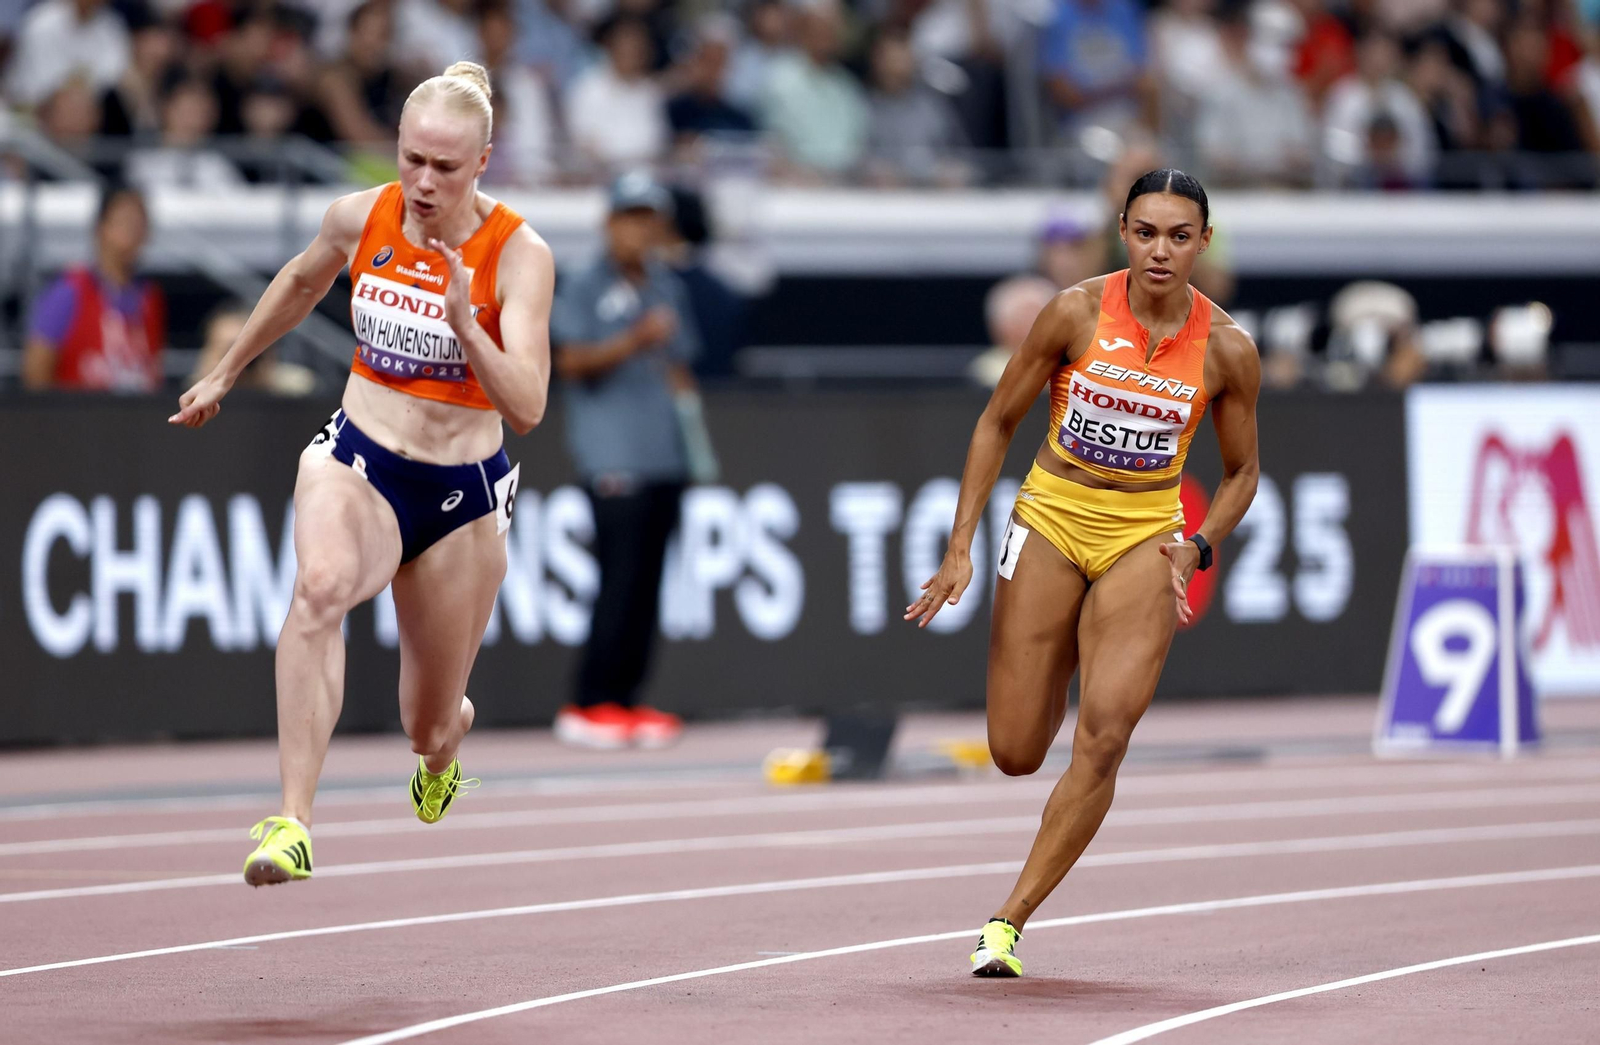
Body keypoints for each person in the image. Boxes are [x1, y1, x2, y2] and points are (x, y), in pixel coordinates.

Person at [170, 61, 555, 887]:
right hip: (359, 461)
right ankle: (293, 822)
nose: (423, 182)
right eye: (411, 158)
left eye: (445, 166)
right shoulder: (359, 215)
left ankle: (445, 744)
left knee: (426, 723)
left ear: (482, 163)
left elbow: (527, 406)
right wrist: (227, 371)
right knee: (319, 589)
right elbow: (302, 279)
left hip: (459, 499)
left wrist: (468, 327)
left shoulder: (519, 255)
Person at [904, 169, 1260, 977]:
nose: (1160, 251)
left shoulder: (1228, 348)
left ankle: (1007, 922)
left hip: (1145, 537)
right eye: (1146, 232)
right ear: (1122, 232)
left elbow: (1242, 471)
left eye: (1179, 236)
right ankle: (1065, 641)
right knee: (1016, 750)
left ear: (1204, 242)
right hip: (1052, 521)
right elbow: (996, 421)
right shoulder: (1073, 312)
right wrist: (960, 546)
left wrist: (1200, 543)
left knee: (1104, 738)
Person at [549, 171, 708, 750]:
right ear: (610, 223)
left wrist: (693, 442)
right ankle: (590, 700)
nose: (642, 231)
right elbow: (569, 362)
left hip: (663, 456)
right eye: (632, 218)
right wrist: (633, 340)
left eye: (651, 220)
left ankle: (627, 699)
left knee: (648, 584)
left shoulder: (665, 285)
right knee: (619, 580)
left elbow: (682, 362)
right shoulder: (585, 283)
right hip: (613, 459)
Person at [23, 184, 165, 392]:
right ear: (101, 228)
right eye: (125, 222)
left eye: (140, 223)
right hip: (78, 409)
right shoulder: (69, 290)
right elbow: (36, 372)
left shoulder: (150, 298)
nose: (134, 233)